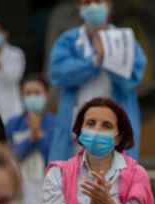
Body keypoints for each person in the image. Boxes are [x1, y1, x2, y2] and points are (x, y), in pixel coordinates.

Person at [49, 0, 147, 161]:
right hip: (76, 129)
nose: (93, 6)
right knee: (72, 177)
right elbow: (58, 73)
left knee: (118, 176)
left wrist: (108, 56)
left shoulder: (125, 39)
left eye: (99, 1)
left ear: (109, 6)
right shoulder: (68, 40)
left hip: (114, 128)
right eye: (88, 2)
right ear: (80, 7)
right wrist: (94, 60)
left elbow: (133, 77)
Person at [5, 75, 56, 204]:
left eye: (37, 93)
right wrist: (30, 138)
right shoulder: (12, 124)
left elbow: (55, 157)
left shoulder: (56, 124)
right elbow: (9, 157)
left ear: (46, 94)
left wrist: (39, 136)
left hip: (49, 197)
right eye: (28, 93)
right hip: (21, 197)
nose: (32, 97)